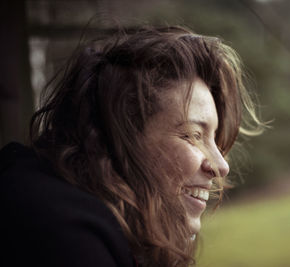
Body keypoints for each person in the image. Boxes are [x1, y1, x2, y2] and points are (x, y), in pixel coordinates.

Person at [0, 25, 263, 266]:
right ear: (121, 135)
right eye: (193, 135)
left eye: (213, 139)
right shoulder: (64, 233)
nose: (221, 166)